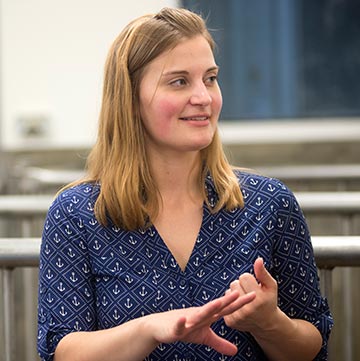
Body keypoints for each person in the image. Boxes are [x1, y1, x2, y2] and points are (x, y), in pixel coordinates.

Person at [37, 7, 333, 361]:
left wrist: (268, 322)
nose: (204, 98)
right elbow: (61, 352)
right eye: (179, 81)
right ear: (130, 99)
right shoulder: (77, 214)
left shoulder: (269, 204)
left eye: (210, 78)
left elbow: (312, 348)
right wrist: (150, 329)